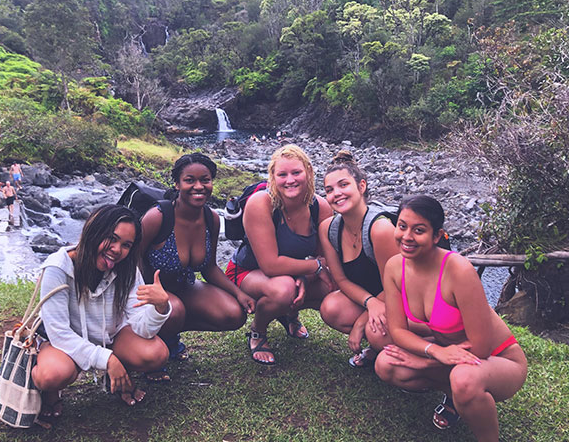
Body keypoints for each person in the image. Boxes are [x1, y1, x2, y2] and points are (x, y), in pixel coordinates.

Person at [375, 195, 527, 442]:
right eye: (402, 226)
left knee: (464, 379)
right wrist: (433, 351)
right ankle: (455, 400)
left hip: (500, 360)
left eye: (419, 230)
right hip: (451, 354)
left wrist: (425, 361)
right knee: (387, 364)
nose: (407, 236)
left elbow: (481, 348)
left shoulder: (458, 270)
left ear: (437, 236)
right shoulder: (394, 267)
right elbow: (397, 329)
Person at [33, 205, 171, 419]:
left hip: (110, 335)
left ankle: (119, 376)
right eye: (111, 238)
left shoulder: (127, 269)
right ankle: (50, 390)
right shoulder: (58, 268)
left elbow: (141, 326)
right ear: (93, 231)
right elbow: (59, 333)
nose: (117, 250)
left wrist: (159, 308)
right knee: (51, 375)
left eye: (126, 245)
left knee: (156, 354)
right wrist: (108, 360)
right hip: (63, 342)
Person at [141, 152, 255, 381]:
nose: (199, 186)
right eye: (189, 180)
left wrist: (239, 293)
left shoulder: (211, 218)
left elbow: (209, 268)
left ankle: (170, 329)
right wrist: (150, 293)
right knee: (174, 310)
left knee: (234, 314)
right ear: (177, 184)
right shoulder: (158, 217)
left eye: (205, 180)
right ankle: (157, 344)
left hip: (184, 286)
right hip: (147, 291)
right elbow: (132, 259)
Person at [225, 144, 334, 364]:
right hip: (247, 272)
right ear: (273, 178)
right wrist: (314, 268)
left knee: (332, 284)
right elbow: (271, 265)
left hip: (292, 274)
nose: (290, 180)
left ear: (309, 172)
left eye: (296, 172)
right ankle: (258, 331)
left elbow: (325, 259)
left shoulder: (320, 208)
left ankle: (288, 313)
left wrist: (305, 277)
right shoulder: (261, 203)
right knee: (284, 289)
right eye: (282, 175)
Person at [318, 150, 401, 367]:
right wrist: (370, 303)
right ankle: (377, 346)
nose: (336, 194)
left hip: (401, 298)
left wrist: (361, 322)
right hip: (373, 297)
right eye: (329, 190)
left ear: (361, 186)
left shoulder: (380, 229)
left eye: (343, 185)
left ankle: (386, 348)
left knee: (376, 333)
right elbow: (341, 280)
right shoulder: (329, 229)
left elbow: (398, 286)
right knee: (331, 308)